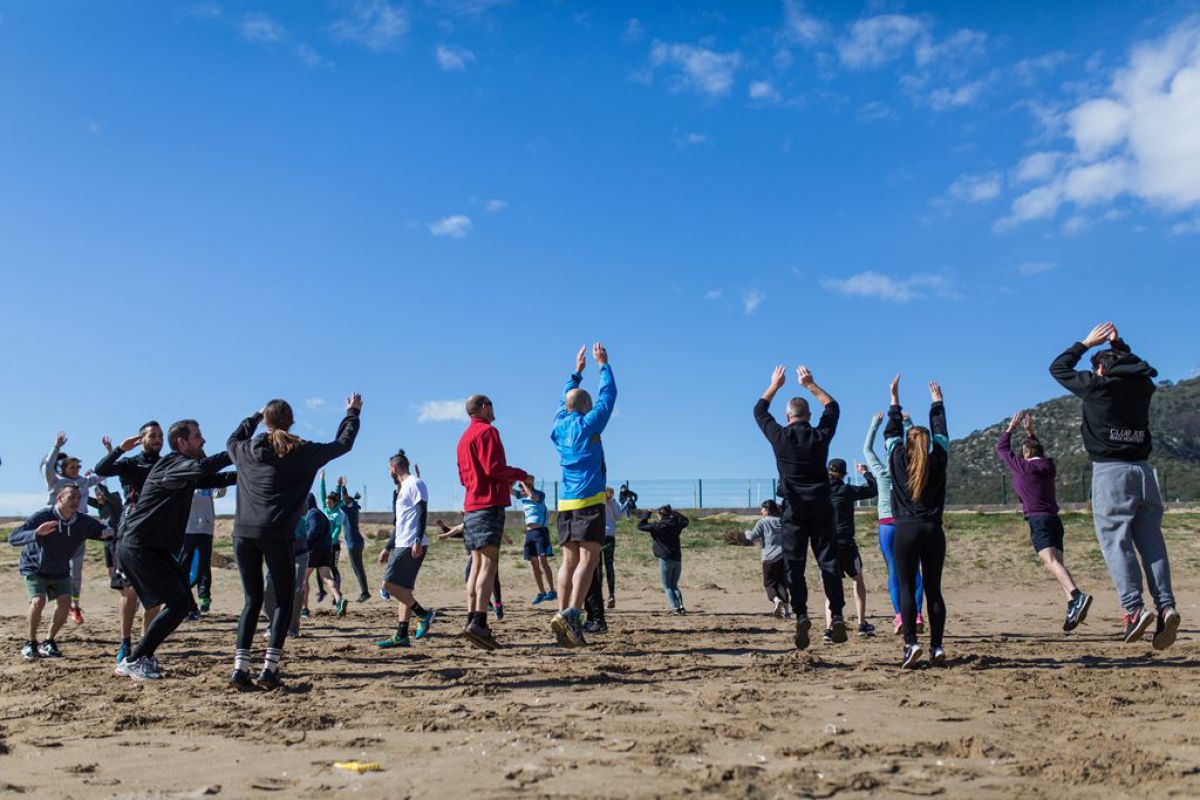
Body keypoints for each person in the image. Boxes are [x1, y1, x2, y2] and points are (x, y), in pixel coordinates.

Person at [1050, 323, 1179, 649]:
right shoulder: (1144, 387)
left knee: (1116, 543)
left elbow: (1058, 368)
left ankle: (1134, 610)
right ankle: (1166, 606)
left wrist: (1084, 343)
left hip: (1111, 473)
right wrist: (1118, 345)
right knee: (1152, 544)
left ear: (1102, 367)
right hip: (1145, 473)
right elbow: (1133, 366)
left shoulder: (1099, 386)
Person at [226, 394, 360, 690]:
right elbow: (343, 444)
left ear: (265, 420)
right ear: (291, 421)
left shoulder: (245, 450)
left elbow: (233, 438)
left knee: (252, 601)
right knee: (285, 602)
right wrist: (352, 413)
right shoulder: (302, 451)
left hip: (243, 533)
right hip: (276, 534)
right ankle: (269, 670)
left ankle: (239, 669)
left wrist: (253, 416)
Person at [115, 419, 238, 681]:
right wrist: (239, 450)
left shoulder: (184, 471)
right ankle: (135, 659)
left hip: (154, 547)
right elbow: (207, 466)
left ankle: (139, 657)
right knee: (178, 603)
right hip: (140, 545)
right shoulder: (172, 462)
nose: (203, 440)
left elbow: (217, 477)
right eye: (197, 436)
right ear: (181, 442)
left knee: (184, 603)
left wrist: (255, 469)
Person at [754, 365, 844, 650]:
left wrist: (774, 385)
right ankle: (838, 615)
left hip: (793, 509)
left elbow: (759, 411)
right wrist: (811, 385)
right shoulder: (820, 437)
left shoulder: (780, 437)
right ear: (808, 416)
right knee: (828, 561)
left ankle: (802, 614)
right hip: (820, 506)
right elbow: (833, 407)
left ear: (788, 417)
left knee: (795, 566)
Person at [996, 412, 1093, 632]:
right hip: (1054, 520)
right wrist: (1030, 432)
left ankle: (1077, 596)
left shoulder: (1024, 466)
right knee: (1057, 563)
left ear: (1027, 452)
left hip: (1038, 520)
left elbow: (1002, 449)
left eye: (1024, 450)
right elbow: (1038, 451)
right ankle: (1071, 606)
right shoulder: (1048, 467)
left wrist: (1011, 426)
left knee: (1050, 562)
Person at [549, 343, 617, 648]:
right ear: (586, 407)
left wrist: (576, 372)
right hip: (589, 500)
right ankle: (573, 615)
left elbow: (562, 402)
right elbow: (609, 397)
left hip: (565, 502)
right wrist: (603, 365)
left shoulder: (558, 426)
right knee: (588, 561)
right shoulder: (589, 423)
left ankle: (559, 612)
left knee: (568, 560)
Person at [456, 393, 531, 650]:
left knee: (476, 563)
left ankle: (471, 619)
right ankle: (479, 621)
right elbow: (494, 469)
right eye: (492, 405)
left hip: (471, 506)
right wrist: (522, 475)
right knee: (488, 563)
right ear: (484, 407)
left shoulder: (463, 438)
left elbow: (463, 478)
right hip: (488, 505)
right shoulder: (488, 432)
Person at [886, 376, 949, 670]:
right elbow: (941, 433)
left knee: (908, 586)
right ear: (928, 445)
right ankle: (937, 646)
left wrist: (894, 401)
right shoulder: (939, 461)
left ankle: (911, 644)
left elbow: (891, 434)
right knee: (933, 590)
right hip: (933, 530)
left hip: (905, 532)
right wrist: (937, 404)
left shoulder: (897, 459)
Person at [10, 485, 113, 660]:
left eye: (78, 498)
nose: (75, 502)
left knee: (66, 602)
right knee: (38, 601)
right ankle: (30, 642)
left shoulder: (82, 521)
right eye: (71, 497)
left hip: (60, 568)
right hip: (35, 566)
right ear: (59, 498)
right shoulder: (43, 516)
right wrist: (36, 532)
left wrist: (107, 533)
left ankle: (49, 641)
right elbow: (14, 537)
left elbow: (102, 532)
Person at [95, 420, 164, 663]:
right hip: (130, 528)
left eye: (160, 436)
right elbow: (101, 469)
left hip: (157, 531)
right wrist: (120, 450)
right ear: (141, 439)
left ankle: (146, 646)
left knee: (154, 594)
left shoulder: (166, 463)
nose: (157, 439)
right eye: (152, 435)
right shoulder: (129, 464)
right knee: (129, 590)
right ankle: (125, 642)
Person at [864, 411, 925, 636]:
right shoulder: (912, 468)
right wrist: (909, 423)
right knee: (915, 571)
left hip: (887, 525)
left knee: (893, 571)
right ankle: (917, 614)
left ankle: (900, 616)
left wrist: (875, 423)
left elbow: (867, 449)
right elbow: (919, 446)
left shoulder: (881, 472)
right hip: (909, 522)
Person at [40, 431, 103, 625]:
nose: (75, 470)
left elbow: (102, 475)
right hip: (55, 529)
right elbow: (48, 467)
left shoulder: (83, 482)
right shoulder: (55, 482)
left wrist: (110, 451)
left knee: (76, 570)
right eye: (72, 467)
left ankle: (74, 606)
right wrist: (56, 446)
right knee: (50, 567)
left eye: (78, 467)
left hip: (77, 530)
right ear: (63, 468)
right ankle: (42, 597)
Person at [377, 450, 437, 648]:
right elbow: (400, 523)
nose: (388, 472)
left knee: (389, 585)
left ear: (394, 467)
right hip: (403, 542)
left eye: (388, 468)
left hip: (411, 544)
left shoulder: (415, 483)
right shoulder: (402, 488)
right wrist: (387, 547)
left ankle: (423, 614)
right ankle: (402, 634)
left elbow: (422, 513)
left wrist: (418, 539)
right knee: (404, 590)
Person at [826, 459, 878, 640]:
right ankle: (861, 624)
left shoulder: (821, 491)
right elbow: (873, 489)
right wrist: (865, 472)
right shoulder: (847, 490)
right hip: (846, 543)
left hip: (827, 545)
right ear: (844, 474)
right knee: (857, 579)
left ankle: (829, 627)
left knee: (831, 584)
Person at [263, 504, 310, 640]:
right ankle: (274, 624)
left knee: (296, 591)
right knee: (267, 591)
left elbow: (302, 508)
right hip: (276, 552)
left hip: (299, 553)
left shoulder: (300, 495)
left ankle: (292, 627)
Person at [180, 486, 226, 617]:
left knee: (204, 566)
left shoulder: (209, 482)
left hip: (206, 529)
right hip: (187, 530)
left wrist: (223, 484)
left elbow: (219, 494)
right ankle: (185, 600)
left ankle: (204, 598)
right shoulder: (187, 481)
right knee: (183, 566)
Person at [636, 506, 689, 613]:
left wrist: (647, 513)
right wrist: (674, 512)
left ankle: (674, 608)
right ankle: (681, 607)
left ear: (660, 515)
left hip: (665, 559)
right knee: (674, 585)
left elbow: (640, 526)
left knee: (667, 586)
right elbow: (685, 520)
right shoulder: (676, 525)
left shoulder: (657, 526)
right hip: (677, 558)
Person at [513, 479, 556, 605]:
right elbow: (509, 491)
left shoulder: (540, 495)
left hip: (540, 531)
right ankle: (541, 592)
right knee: (534, 563)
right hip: (529, 533)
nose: (520, 488)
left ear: (529, 484)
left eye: (522, 486)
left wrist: (524, 483)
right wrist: (510, 480)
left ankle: (552, 590)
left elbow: (533, 496)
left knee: (543, 561)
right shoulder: (522, 496)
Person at [745, 499, 790, 617]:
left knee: (769, 583)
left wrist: (746, 532)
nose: (761, 511)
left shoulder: (763, 522)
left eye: (763, 509)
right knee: (781, 583)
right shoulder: (782, 521)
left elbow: (752, 537)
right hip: (784, 556)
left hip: (769, 556)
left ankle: (776, 600)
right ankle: (787, 610)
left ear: (767, 510)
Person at [336, 478, 370, 602]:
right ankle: (364, 592)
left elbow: (340, 500)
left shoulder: (350, 510)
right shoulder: (351, 509)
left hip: (354, 544)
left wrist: (341, 487)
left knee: (358, 568)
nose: (343, 503)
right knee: (358, 568)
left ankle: (365, 592)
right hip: (355, 542)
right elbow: (341, 500)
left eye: (345, 501)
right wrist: (340, 487)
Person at [317, 471, 350, 600]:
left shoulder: (338, 513)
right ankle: (324, 592)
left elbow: (337, 529)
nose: (327, 505)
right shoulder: (325, 509)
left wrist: (331, 541)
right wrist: (322, 480)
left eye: (330, 503)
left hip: (334, 545)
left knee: (333, 568)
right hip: (323, 544)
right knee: (320, 569)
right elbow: (323, 493)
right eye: (326, 503)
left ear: (335, 503)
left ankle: (338, 592)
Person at [602, 486, 621, 609]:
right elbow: (618, 516)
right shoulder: (612, 503)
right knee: (609, 566)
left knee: (597, 566)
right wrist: (613, 502)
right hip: (609, 535)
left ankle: (602, 595)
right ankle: (611, 594)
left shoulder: (598, 502)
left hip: (599, 535)